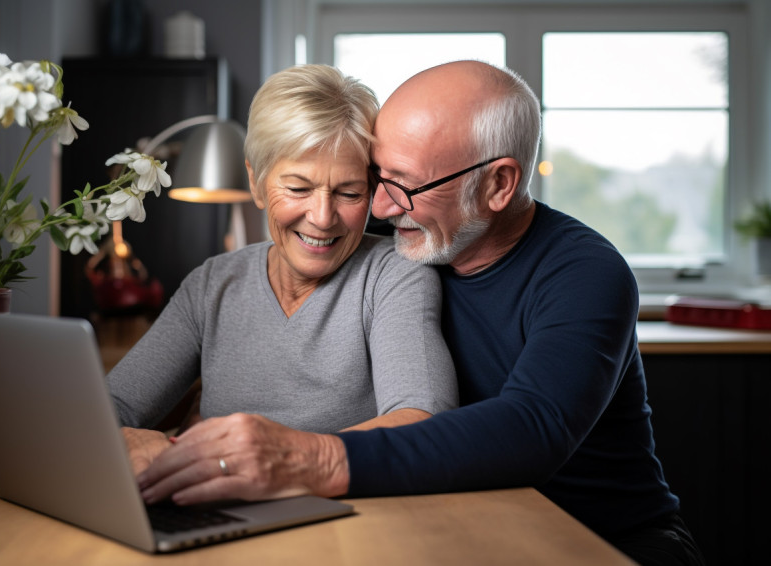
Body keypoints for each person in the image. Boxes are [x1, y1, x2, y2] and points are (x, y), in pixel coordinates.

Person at [134, 61, 704, 565]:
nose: (378, 206)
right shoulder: (406, 224)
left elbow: (533, 428)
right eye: (377, 178)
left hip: (606, 538)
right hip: (472, 524)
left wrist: (307, 457)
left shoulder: (585, 274)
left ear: (499, 184)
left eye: (403, 185)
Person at [108, 64, 457, 476]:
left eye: (349, 192)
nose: (323, 217)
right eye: (298, 188)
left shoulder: (395, 275)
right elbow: (113, 405)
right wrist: (130, 438)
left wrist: (280, 458)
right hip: (220, 512)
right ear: (256, 183)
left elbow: (424, 422)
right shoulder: (212, 284)